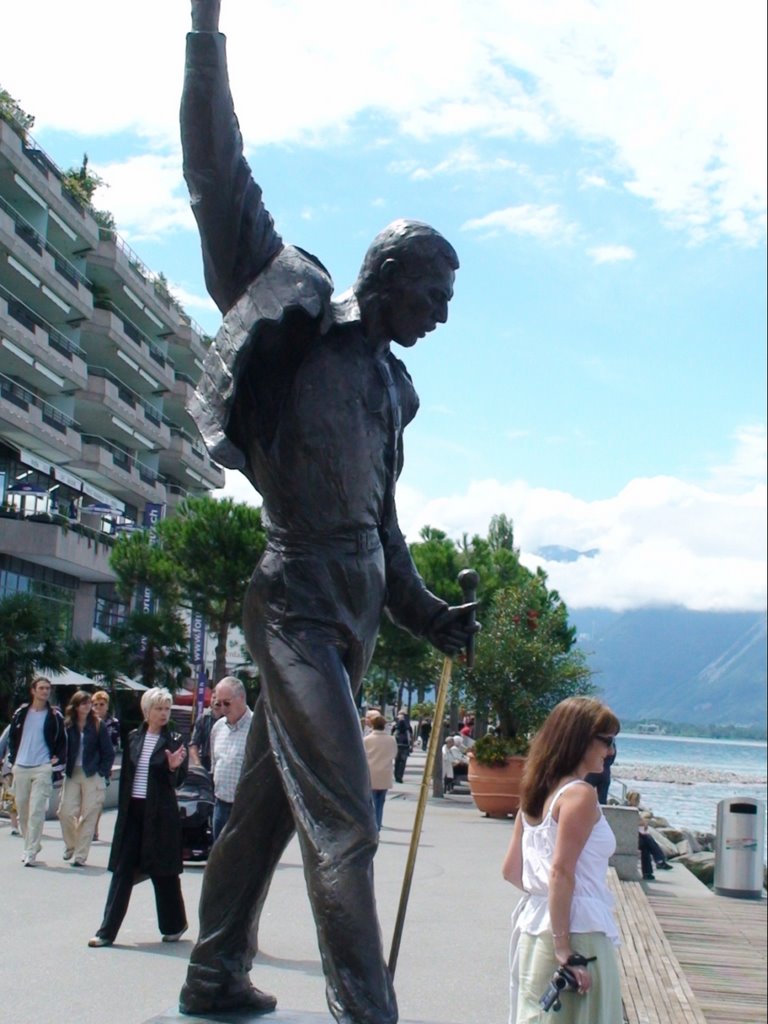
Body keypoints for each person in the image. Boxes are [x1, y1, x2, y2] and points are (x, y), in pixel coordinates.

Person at [178, 3, 476, 1020]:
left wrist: (432, 614)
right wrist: (205, 35)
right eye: (434, 296)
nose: (442, 318)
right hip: (295, 596)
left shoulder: (396, 393)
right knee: (344, 819)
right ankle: (369, 1011)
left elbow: (384, 529)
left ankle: (213, 969)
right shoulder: (292, 315)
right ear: (389, 278)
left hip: (353, 604)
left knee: (263, 808)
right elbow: (219, 177)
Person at [502, 696, 623, 1023]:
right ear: (581, 739)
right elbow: (561, 872)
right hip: (577, 929)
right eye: (607, 741)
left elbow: (512, 871)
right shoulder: (580, 795)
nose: (610, 752)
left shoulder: (536, 793)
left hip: (533, 925)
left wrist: (544, 898)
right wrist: (563, 947)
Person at [87, 687, 188, 948]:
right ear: (146, 711)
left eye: (167, 709)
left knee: (163, 872)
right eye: (159, 708)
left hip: (161, 815)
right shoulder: (133, 737)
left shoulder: (175, 740)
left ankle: (174, 924)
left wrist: (172, 768)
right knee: (122, 871)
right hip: (134, 812)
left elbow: (178, 780)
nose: (164, 713)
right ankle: (106, 931)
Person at [6, 676, 67, 866]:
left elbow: (62, 741)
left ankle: (30, 851)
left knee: (37, 811)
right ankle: (31, 844)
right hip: (21, 766)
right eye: (41, 688)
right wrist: (11, 761)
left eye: (47, 688)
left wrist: (57, 759)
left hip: (42, 767)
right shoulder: (21, 713)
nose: (45, 692)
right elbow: (12, 737)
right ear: (33, 690)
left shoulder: (55, 716)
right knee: (23, 810)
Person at [58, 690, 115, 866]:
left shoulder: (98, 724)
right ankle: (71, 845)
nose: (88, 706)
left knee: (89, 814)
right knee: (65, 812)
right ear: (75, 706)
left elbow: (109, 752)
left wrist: (102, 772)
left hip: (92, 773)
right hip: (72, 772)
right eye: (83, 703)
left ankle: (81, 855)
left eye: (89, 703)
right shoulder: (68, 724)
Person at [208, 677, 252, 840]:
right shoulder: (218, 728)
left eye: (227, 703)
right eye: (218, 704)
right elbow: (215, 763)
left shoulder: (257, 728)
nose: (223, 709)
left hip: (246, 809)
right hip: (220, 805)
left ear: (241, 698)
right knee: (219, 859)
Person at [91, 690, 121, 842]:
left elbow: (115, 745)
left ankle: (94, 829)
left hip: (103, 765)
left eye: (101, 704)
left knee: (98, 800)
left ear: (107, 705)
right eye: (95, 704)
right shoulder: (88, 721)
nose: (98, 707)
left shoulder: (112, 723)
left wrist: (107, 765)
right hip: (88, 764)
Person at [363, 714, 397, 831]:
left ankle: (372, 825)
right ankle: (378, 823)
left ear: (372, 725)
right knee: (381, 801)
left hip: (371, 772)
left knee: (371, 801)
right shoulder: (391, 740)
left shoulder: (367, 740)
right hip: (385, 773)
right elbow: (394, 754)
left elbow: (362, 756)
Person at [189, 695, 224, 772]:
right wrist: (198, 764)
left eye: (219, 698)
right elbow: (193, 744)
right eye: (214, 697)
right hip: (205, 761)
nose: (216, 701)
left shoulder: (229, 719)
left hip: (223, 762)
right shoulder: (203, 718)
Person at [585, 740, 615, 804]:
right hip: (605, 773)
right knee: (602, 800)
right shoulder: (611, 743)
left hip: (591, 773)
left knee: (585, 796)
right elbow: (612, 760)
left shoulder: (595, 742)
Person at [393, 713, 412, 783]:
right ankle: (399, 776)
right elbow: (410, 737)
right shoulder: (408, 728)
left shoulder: (395, 727)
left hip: (397, 746)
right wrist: (410, 746)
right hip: (405, 746)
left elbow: (392, 736)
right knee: (402, 762)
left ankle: (396, 775)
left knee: (397, 761)